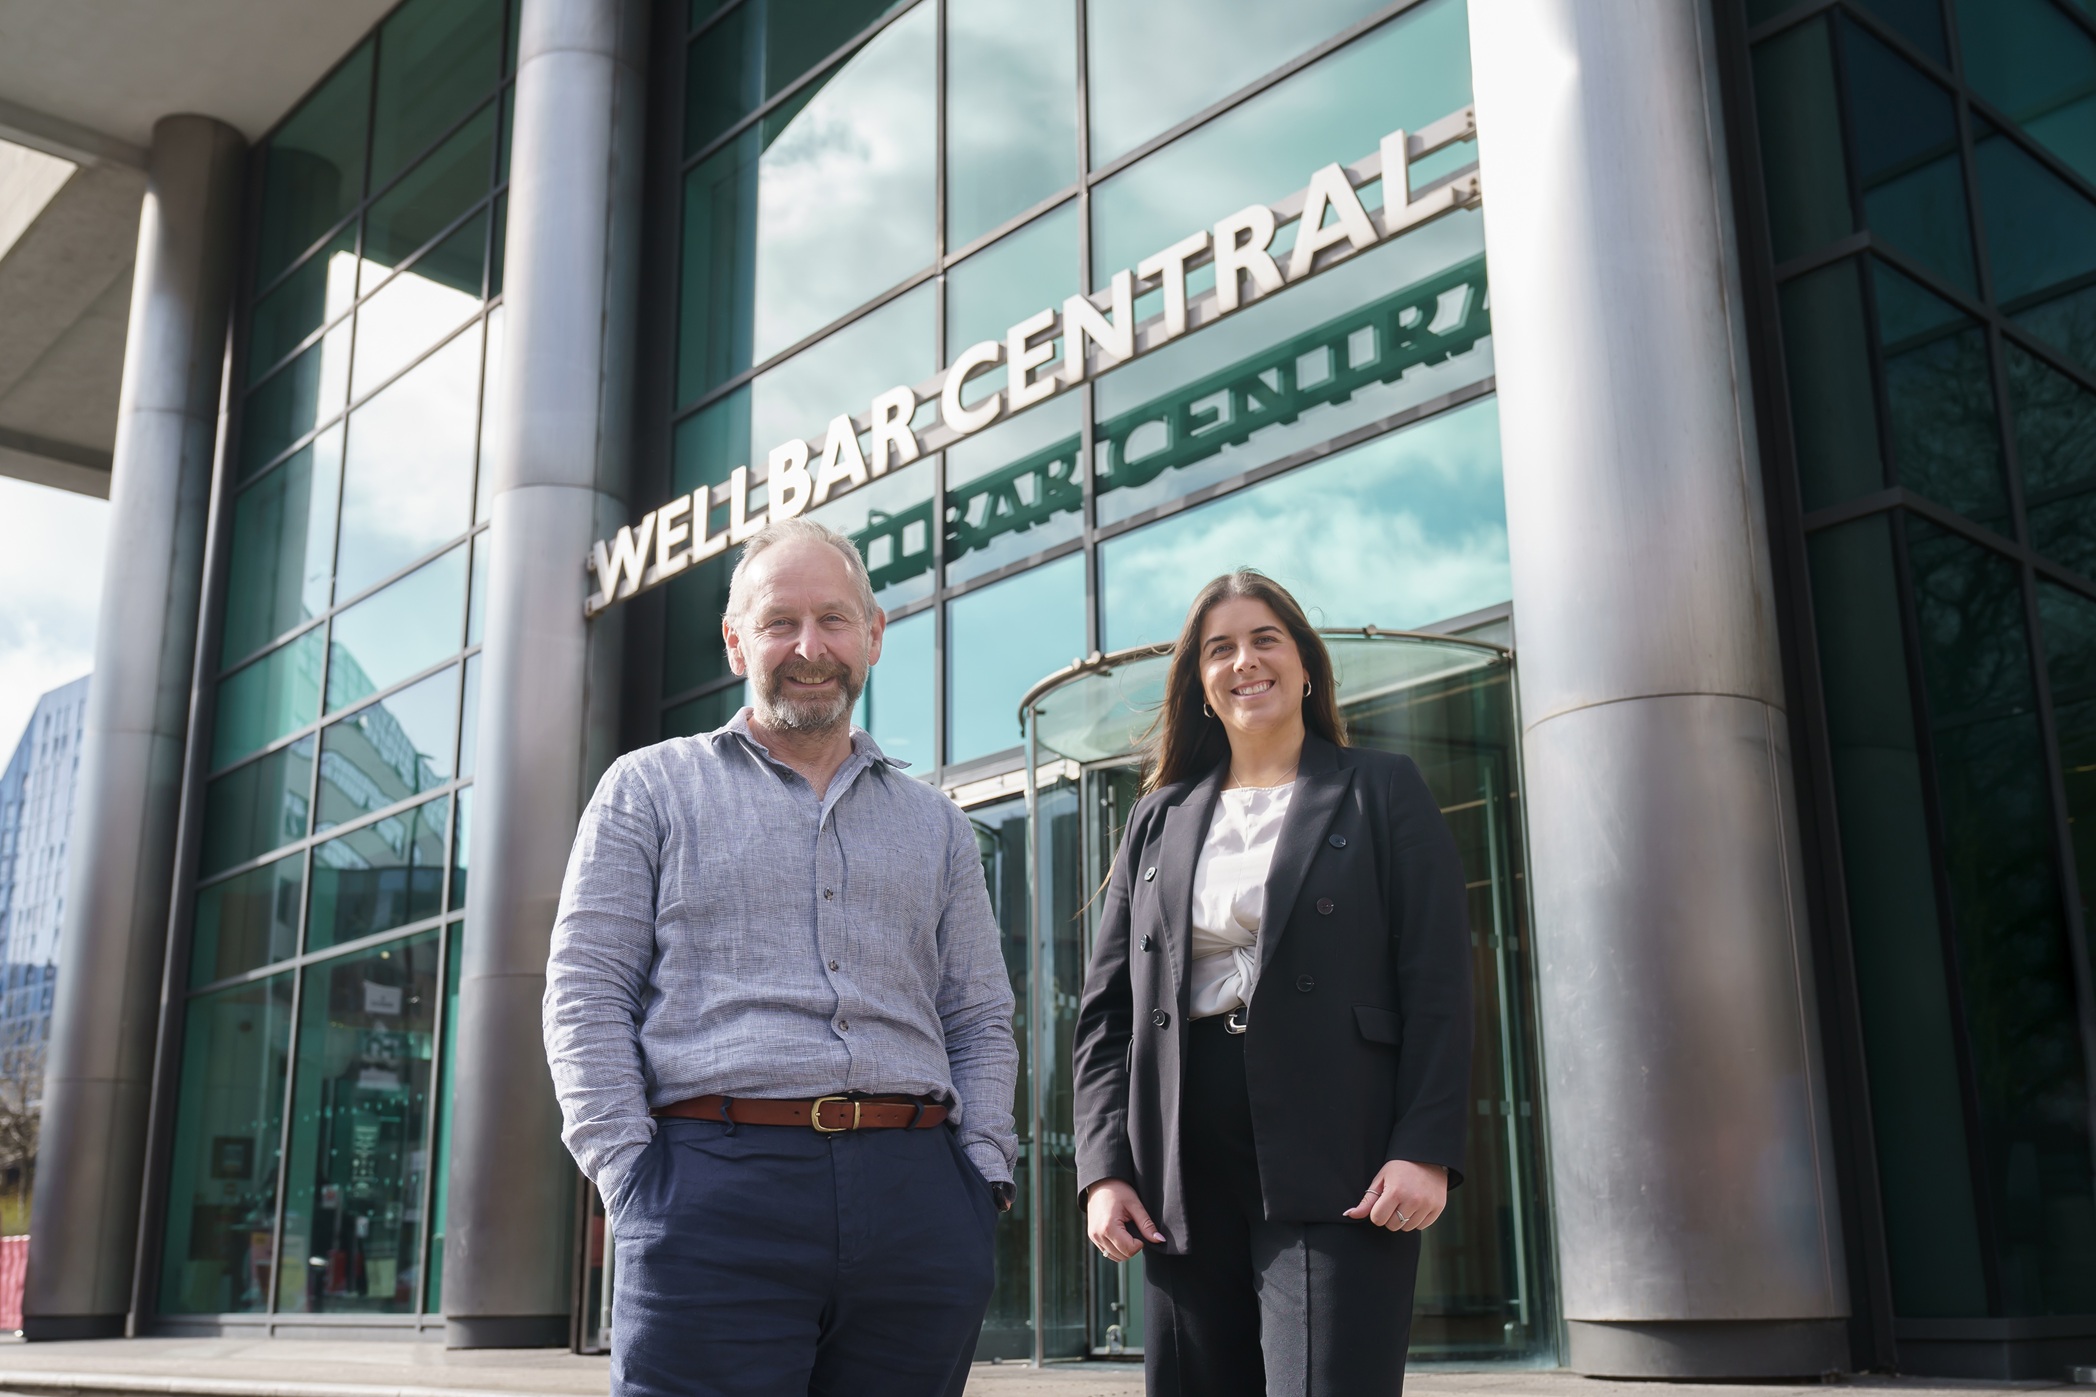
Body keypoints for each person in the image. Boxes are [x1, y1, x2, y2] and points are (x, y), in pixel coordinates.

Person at [543, 517, 1019, 1397]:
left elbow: (979, 1013)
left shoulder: (937, 824)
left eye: (835, 620)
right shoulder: (647, 788)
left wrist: (981, 1170)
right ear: (736, 642)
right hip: (709, 1194)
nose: (810, 648)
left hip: (918, 1201)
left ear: (873, 635)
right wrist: (629, 1176)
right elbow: (584, 992)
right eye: (779, 623)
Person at [1073, 569, 1473, 1396]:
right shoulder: (1158, 816)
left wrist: (1423, 1148)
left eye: (1265, 640)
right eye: (1220, 649)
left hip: (1342, 1149)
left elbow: (1437, 983)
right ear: (1202, 687)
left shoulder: (1380, 788)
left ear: (1305, 666)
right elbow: (1107, 1014)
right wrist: (1104, 1168)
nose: (1243, 661)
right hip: (1180, 1161)